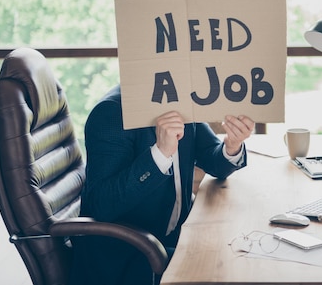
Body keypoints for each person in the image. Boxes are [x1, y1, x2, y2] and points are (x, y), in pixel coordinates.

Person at [70, 85, 253, 285]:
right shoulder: (110, 113)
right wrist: (160, 154)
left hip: (174, 238)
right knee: (226, 270)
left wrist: (232, 146)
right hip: (126, 257)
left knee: (241, 254)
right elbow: (101, 205)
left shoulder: (180, 100)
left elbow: (213, 160)